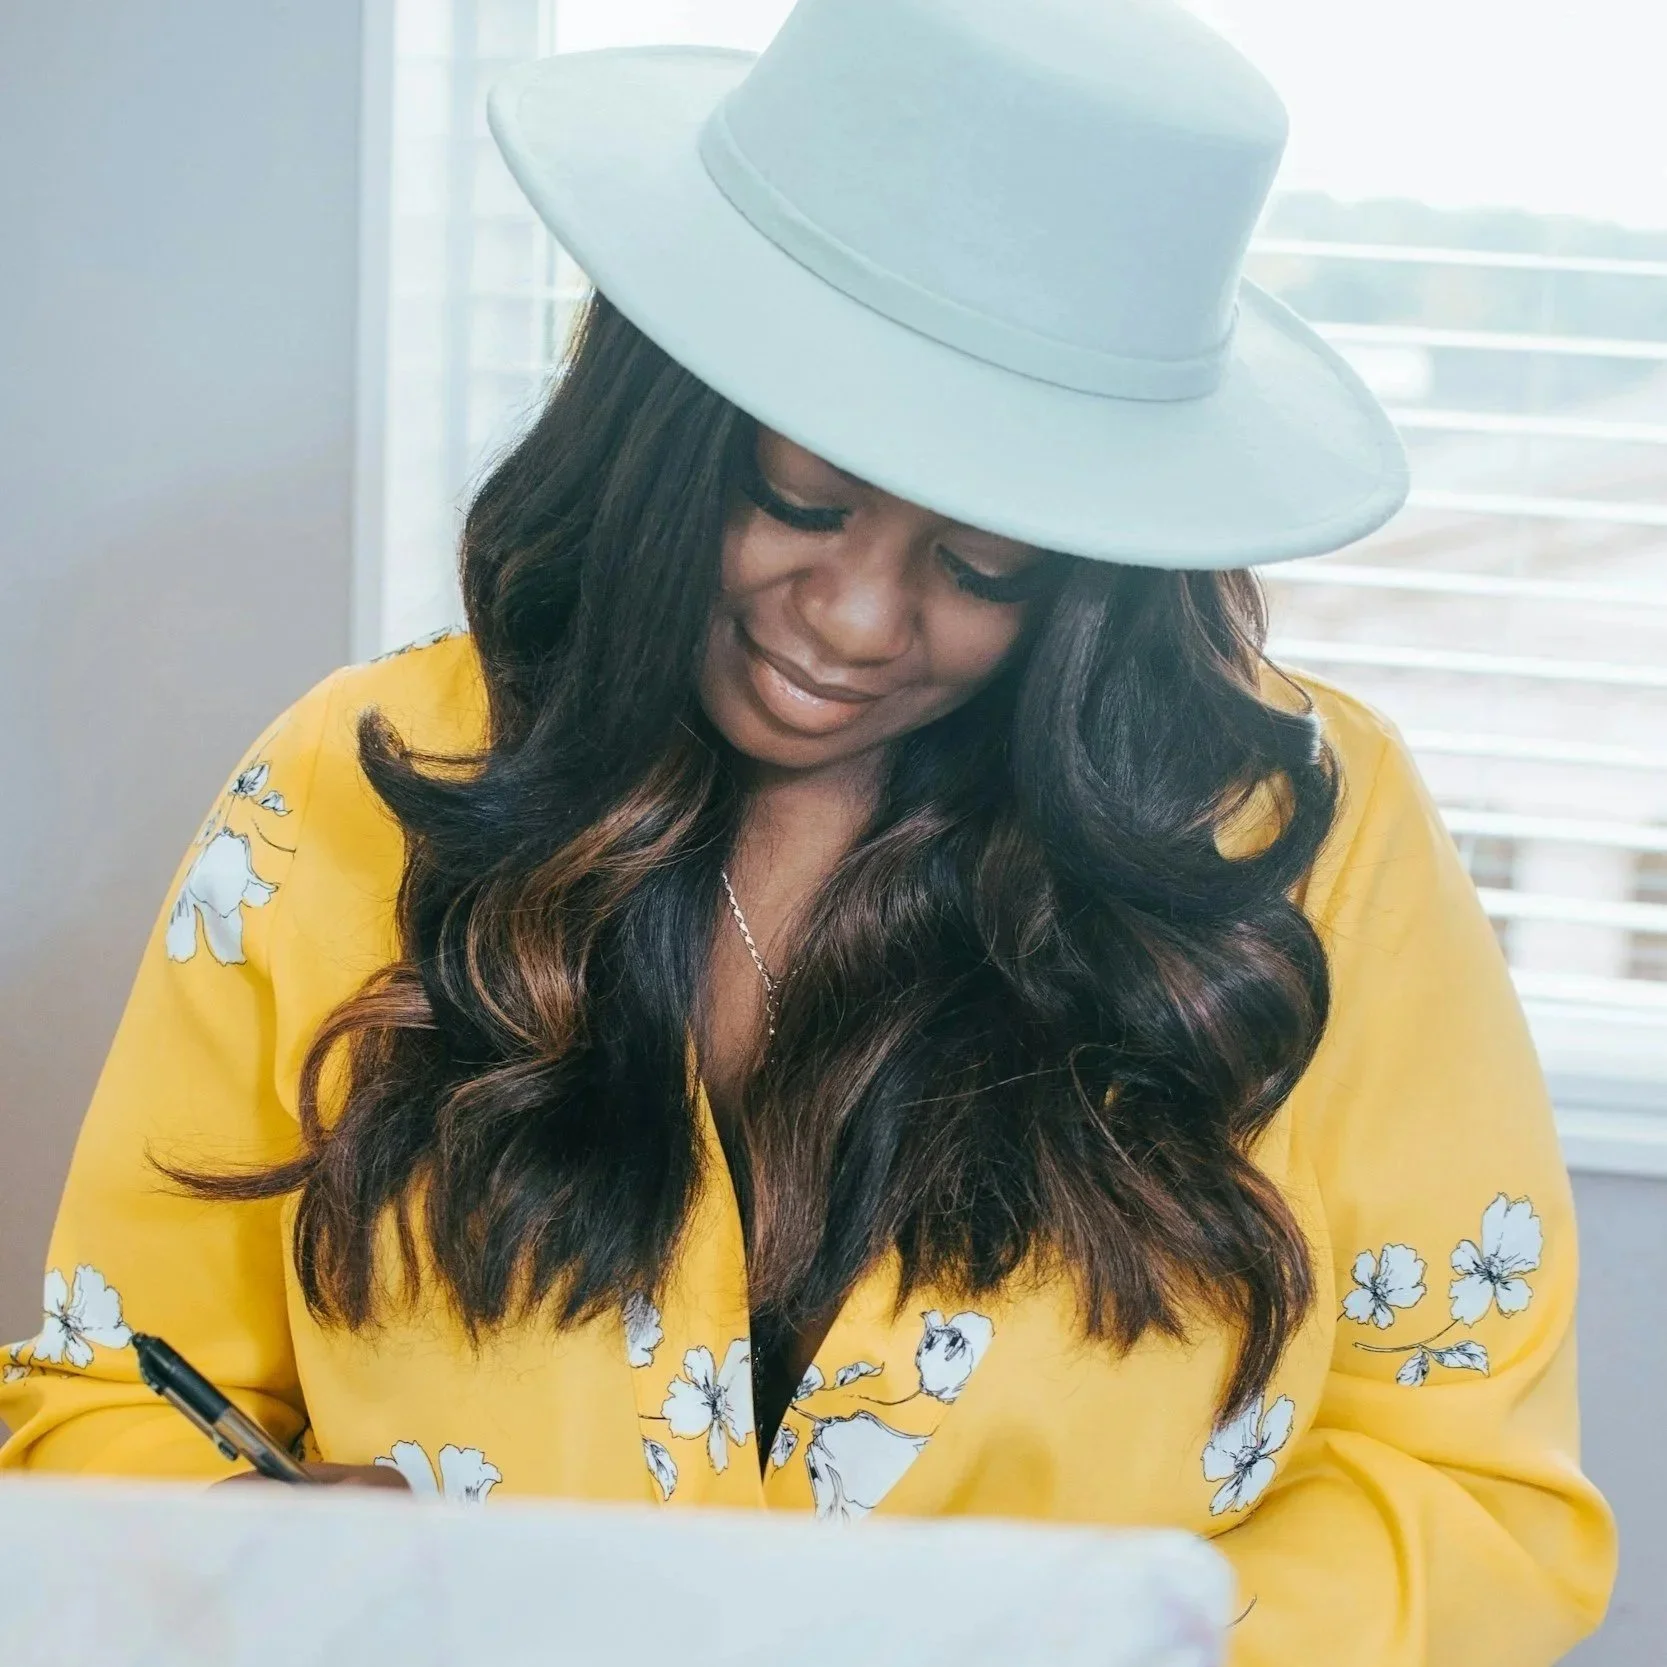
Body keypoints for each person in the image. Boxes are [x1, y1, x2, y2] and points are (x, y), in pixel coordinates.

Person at [0, 1, 1615, 1662]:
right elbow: (105, 1406)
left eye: (984, 569)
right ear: (666, 427)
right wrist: (254, 1549)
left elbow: (1468, 1496)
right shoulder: (349, 792)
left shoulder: (1294, 841)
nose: (851, 620)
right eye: (799, 496)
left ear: (1094, 565)